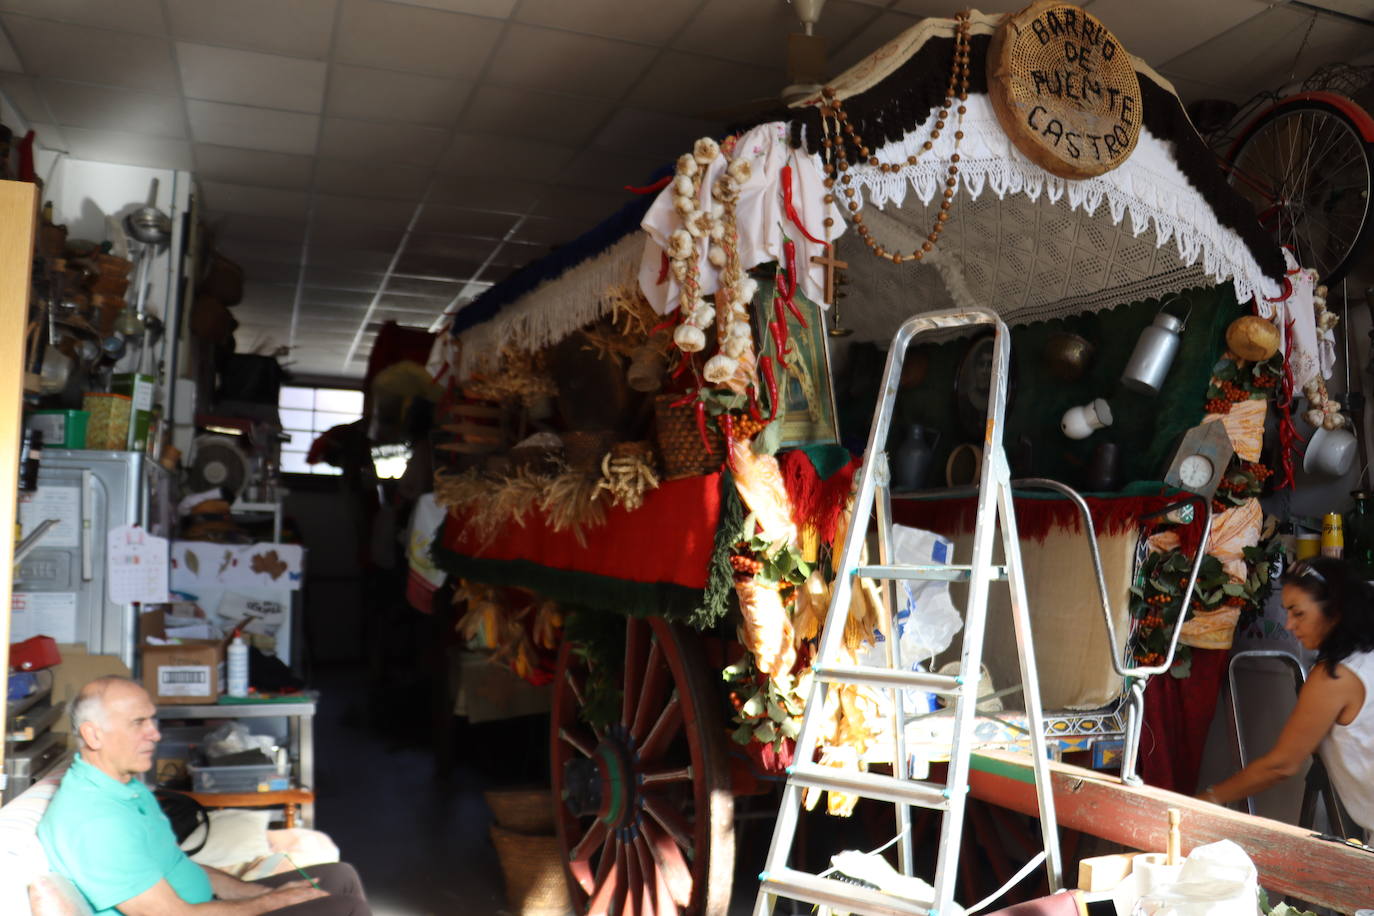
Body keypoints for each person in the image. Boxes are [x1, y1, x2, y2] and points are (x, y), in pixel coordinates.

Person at [38, 676, 371, 915]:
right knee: (347, 907)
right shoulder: (95, 821)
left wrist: (261, 890)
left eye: (152, 720)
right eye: (138, 722)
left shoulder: (125, 787)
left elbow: (178, 864)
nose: (154, 733)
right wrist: (270, 903)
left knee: (340, 876)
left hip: (204, 905)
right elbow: (171, 913)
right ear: (93, 735)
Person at [1198, 557, 1374, 833]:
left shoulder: (1335, 677)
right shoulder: (1365, 658)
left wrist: (1208, 798)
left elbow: (1280, 766)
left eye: (1298, 612)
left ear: (1335, 610)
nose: (1290, 625)